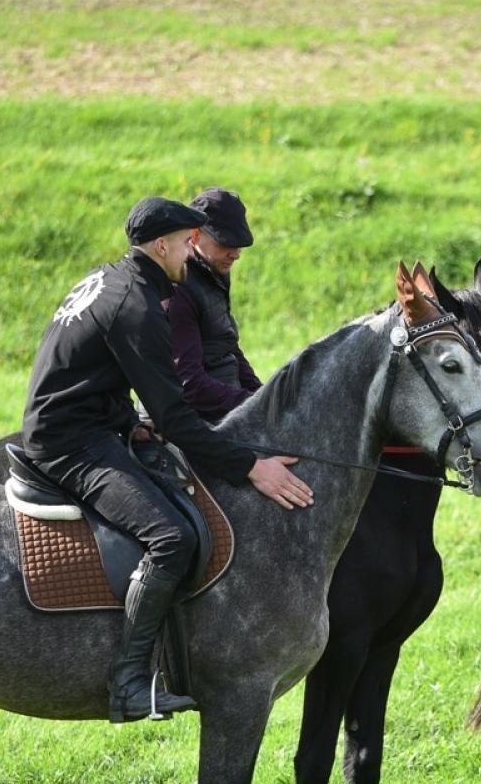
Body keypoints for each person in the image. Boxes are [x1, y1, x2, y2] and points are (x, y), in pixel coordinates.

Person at [22, 196, 314, 723]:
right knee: (171, 538)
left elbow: (90, 377)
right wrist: (252, 466)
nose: (190, 252)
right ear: (162, 245)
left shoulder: (113, 279)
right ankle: (128, 682)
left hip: (90, 424)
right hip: (71, 444)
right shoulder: (137, 306)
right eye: (185, 243)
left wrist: (130, 421)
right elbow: (179, 418)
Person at [164, 187, 263, 422]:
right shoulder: (179, 291)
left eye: (240, 245)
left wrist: (264, 397)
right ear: (196, 236)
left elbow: (227, 346)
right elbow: (190, 386)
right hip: (197, 419)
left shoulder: (214, 271)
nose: (236, 254)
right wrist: (251, 405)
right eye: (227, 243)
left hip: (227, 407)